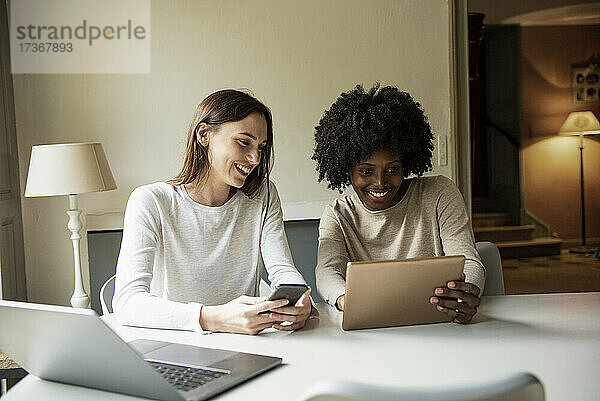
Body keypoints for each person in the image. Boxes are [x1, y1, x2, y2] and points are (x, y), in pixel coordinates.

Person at [113, 89, 312, 334]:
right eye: (243, 142)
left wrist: (300, 302)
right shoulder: (151, 201)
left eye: (261, 147)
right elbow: (127, 303)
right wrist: (215, 319)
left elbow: (282, 269)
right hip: (174, 345)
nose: (255, 158)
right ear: (204, 135)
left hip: (245, 347)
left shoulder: (263, 195)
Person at [312, 84, 485, 324]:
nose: (380, 182)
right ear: (347, 170)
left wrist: (465, 293)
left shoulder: (439, 193)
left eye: (392, 169)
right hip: (372, 334)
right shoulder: (338, 215)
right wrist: (345, 299)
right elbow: (327, 272)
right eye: (366, 171)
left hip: (439, 326)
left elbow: (469, 259)